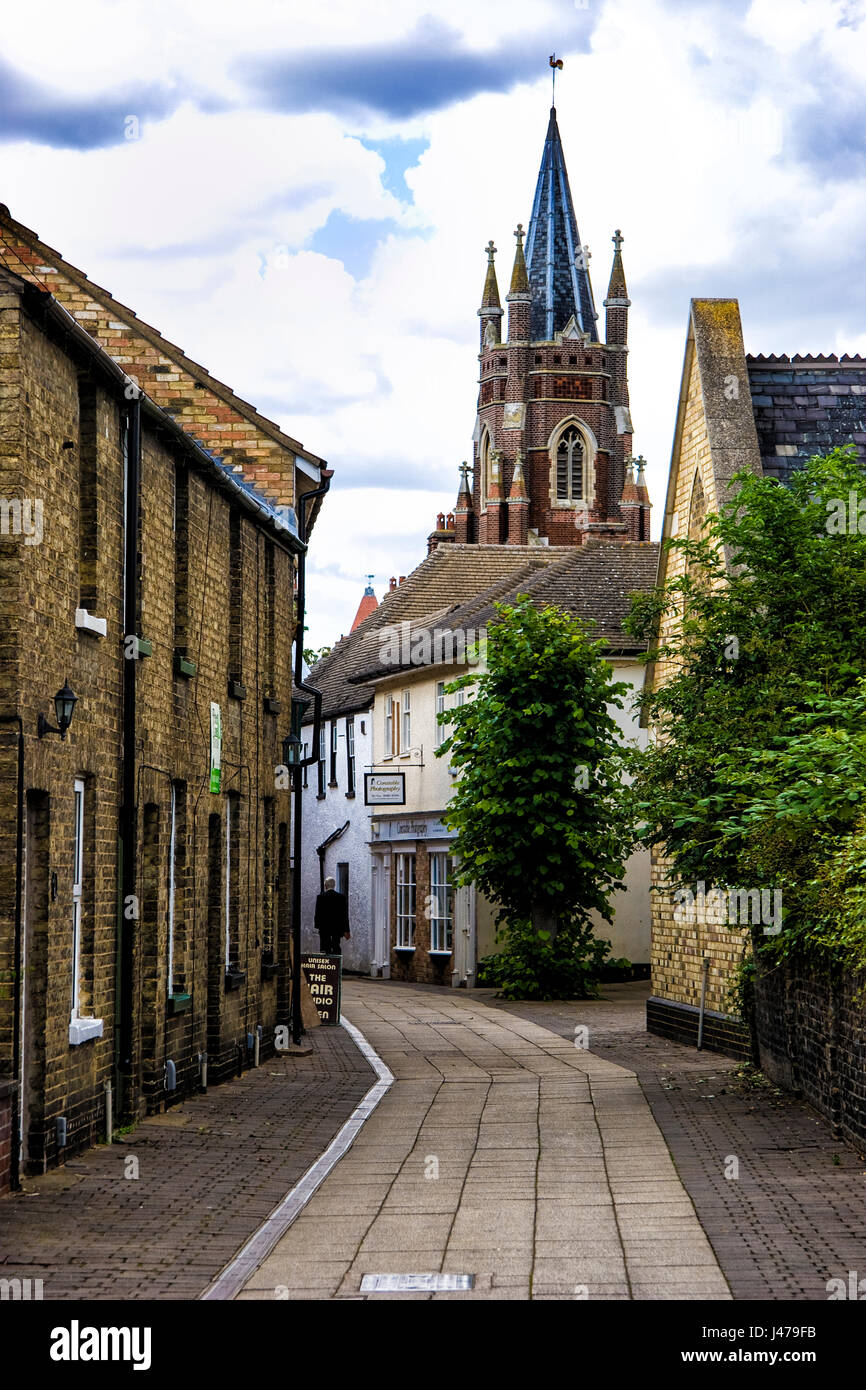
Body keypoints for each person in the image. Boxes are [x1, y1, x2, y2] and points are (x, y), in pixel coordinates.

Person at [315, 875, 351, 955]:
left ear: (325, 886)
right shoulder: (341, 897)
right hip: (337, 928)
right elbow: (344, 915)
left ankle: (329, 965)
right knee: (336, 946)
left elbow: (318, 914)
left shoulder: (321, 897)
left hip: (325, 927)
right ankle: (337, 965)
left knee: (326, 948)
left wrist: (318, 926)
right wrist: (346, 930)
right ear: (334, 885)